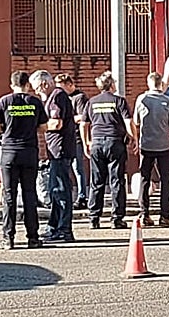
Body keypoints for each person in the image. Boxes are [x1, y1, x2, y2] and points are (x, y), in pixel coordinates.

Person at [0, 71, 49, 249]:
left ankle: (8, 238)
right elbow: (44, 127)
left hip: (9, 153)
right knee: (29, 195)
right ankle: (33, 237)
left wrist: (6, 130)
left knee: (9, 196)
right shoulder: (35, 102)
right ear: (27, 85)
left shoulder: (5, 101)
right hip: (29, 152)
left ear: (12, 84)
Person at [77, 71, 136, 229]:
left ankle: (94, 218)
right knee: (117, 181)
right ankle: (117, 218)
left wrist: (86, 143)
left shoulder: (92, 102)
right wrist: (134, 138)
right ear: (111, 85)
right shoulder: (119, 101)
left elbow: (83, 124)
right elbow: (128, 122)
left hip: (97, 143)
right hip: (115, 143)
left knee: (96, 182)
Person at [32, 70, 76, 243]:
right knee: (55, 190)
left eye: (37, 88)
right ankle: (54, 226)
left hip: (61, 150)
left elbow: (57, 123)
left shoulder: (57, 96)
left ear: (44, 84)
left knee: (61, 190)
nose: (36, 92)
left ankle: (64, 229)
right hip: (56, 151)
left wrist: (37, 125)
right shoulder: (54, 97)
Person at [132, 72, 169, 227]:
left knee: (144, 179)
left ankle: (144, 213)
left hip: (146, 145)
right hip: (164, 146)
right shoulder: (168, 101)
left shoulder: (141, 99)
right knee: (165, 180)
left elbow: (136, 121)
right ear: (161, 84)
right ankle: (165, 216)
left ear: (148, 83)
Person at [59, 74, 90, 210]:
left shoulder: (79, 97)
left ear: (70, 85)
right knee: (68, 167)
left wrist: (67, 119)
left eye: (62, 87)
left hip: (76, 136)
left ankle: (82, 196)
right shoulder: (62, 97)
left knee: (78, 167)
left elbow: (83, 117)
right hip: (65, 136)